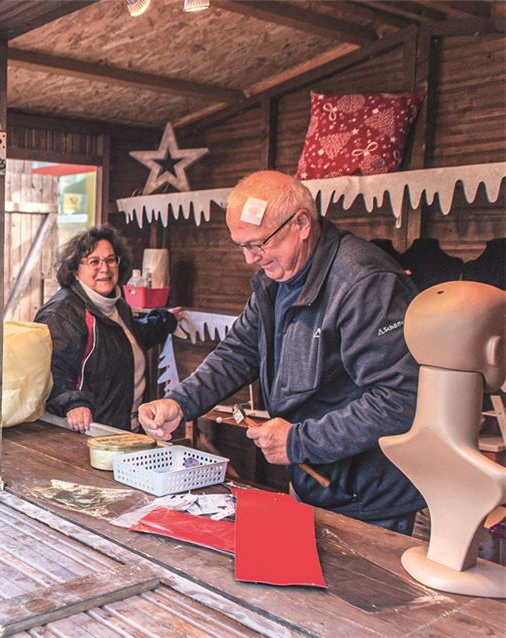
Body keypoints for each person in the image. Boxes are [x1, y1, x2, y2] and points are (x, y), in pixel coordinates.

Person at [138, 171, 425, 533]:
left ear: (301, 223)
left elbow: (400, 399)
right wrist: (180, 402)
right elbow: (237, 353)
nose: (249, 259)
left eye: (258, 244)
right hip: (317, 479)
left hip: (369, 496)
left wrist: (300, 441)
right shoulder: (276, 281)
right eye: (241, 245)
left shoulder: (364, 283)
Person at [35, 225, 180, 432]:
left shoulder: (116, 305)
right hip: (89, 433)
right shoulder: (62, 314)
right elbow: (52, 370)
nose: (105, 268)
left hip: (125, 428)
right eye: (94, 261)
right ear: (75, 270)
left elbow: (128, 339)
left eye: (111, 260)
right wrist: (73, 403)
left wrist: (165, 320)